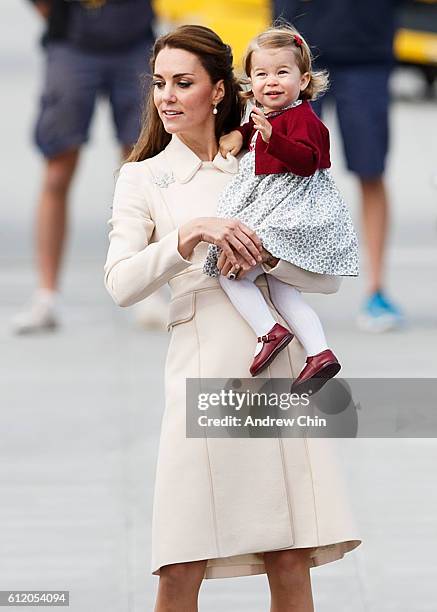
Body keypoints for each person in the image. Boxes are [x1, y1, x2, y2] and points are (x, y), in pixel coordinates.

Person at [104, 24, 361, 611]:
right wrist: (188, 236)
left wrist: (271, 256)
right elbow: (121, 284)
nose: (166, 97)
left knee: (291, 559)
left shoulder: (266, 158)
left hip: (282, 373)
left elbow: (328, 276)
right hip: (202, 371)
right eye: (159, 84)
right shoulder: (143, 177)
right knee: (180, 562)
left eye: (183, 83)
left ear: (219, 91)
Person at [203, 25, 359, 393]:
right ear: (250, 80)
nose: (271, 82)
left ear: (303, 80)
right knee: (282, 288)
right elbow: (251, 129)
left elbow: (308, 161)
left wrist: (276, 141)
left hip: (290, 209)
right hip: (274, 204)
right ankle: (319, 353)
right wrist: (239, 135)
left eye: (282, 73)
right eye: (261, 74)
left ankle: (268, 332)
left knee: (229, 270)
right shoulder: (264, 113)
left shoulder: (306, 120)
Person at [12, 0, 155, 334]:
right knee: (58, 168)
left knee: (142, 168)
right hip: (71, 42)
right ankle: (46, 294)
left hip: (134, 41)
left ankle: (149, 290)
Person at [274, 0, 404, 332]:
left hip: (367, 51)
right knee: (287, 175)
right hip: (299, 49)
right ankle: (278, 293)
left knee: (370, 171)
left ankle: (376, 291)